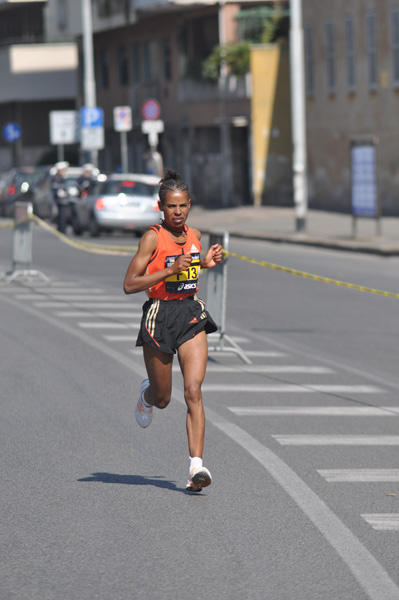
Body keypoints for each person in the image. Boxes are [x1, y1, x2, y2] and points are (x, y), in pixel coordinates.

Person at [123, 168, 223, 492]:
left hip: (190, 313)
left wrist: (204, 262)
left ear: (190, 205)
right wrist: (167, 272)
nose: (177, 212)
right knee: (164, 398)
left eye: (182, 206)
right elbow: (129, 284)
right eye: (171, 207)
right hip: (159, 315)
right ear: (160, 207)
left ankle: (196, 467)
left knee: (193, 390)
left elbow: (188, 268)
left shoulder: (193, 236)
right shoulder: (153, 237)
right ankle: (146, 395)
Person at [51, 161, 69, 233]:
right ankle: (60, 229)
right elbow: (54, 189)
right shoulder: (55, 178)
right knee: (59, 215)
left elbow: (66, 188)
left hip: (63, 200)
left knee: (63, 215)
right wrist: (58, 193)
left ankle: (62, 229)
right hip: (57, 200)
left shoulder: (63, 178)